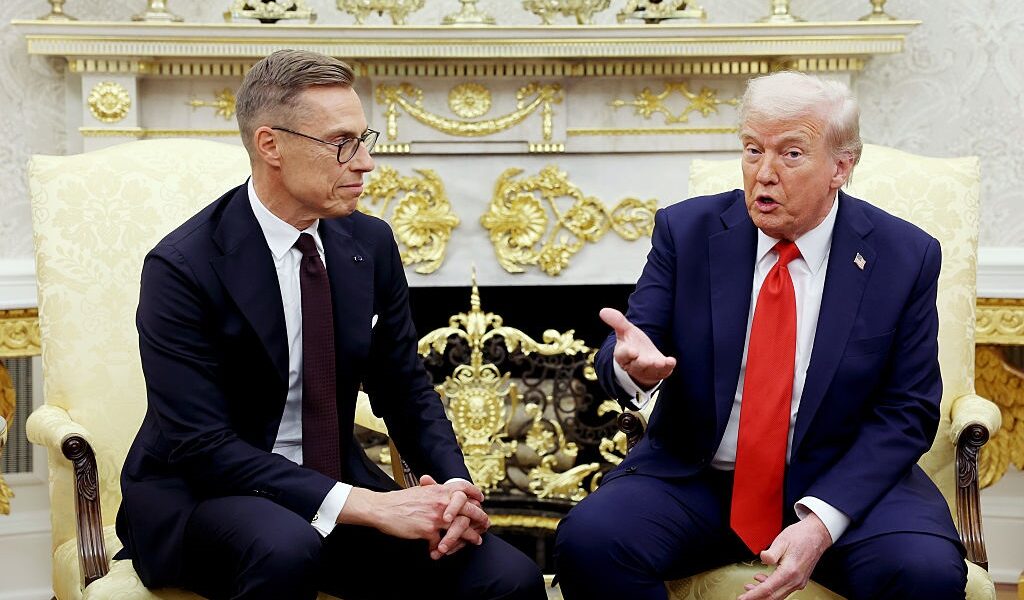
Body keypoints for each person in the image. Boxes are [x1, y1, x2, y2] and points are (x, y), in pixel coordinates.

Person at [115, 49, 545, 600]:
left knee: (508, 578)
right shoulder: (183, 266)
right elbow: (202, 445)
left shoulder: (369, 242)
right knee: (286, 546)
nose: (365, 163)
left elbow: (405, 388)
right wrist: (369, 506)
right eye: (342, 143)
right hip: (203, 497)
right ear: (271, 145)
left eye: (364, 140)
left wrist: (454, 487)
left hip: (336, 488)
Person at [554, 71, 966, 600]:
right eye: (752, 150)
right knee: (591, 541)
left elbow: (908, 410)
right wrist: (629, 367)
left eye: (790, 154)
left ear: (841, 167)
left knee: (925, 573)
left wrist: (822, 521)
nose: (764, 173)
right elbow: (635, 340)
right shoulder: (686, 231)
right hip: (700, 477)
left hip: (842, 481)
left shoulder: (903, 255)